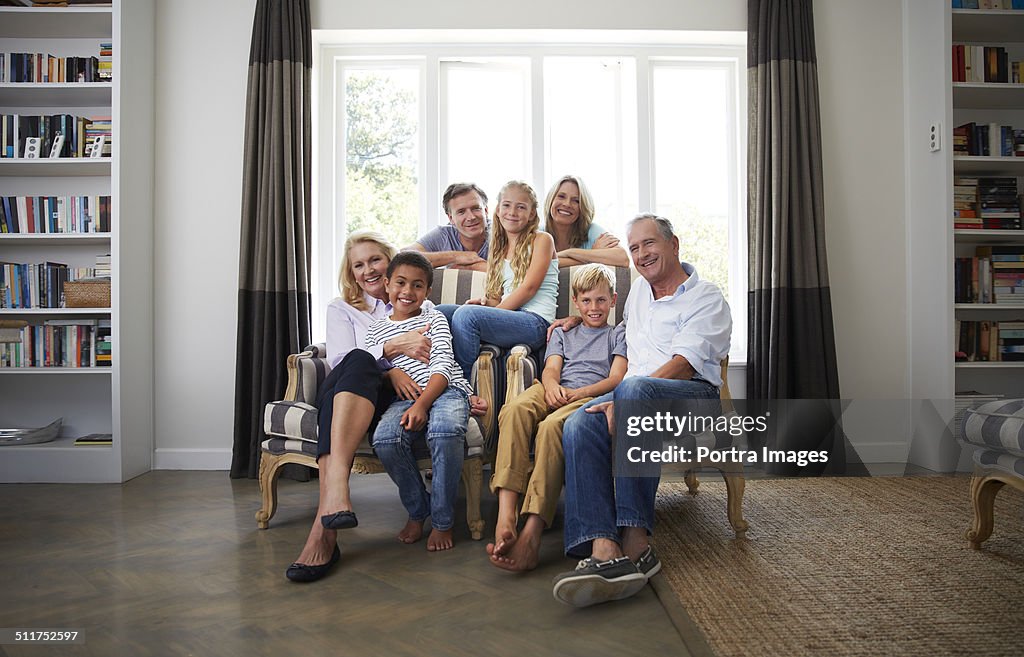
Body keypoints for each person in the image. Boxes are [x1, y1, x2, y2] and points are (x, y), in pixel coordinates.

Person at [549, 214, 732, 608]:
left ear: (673, 244)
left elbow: (685, 364)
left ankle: (637, 541)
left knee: (631, 388)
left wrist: (627, 398)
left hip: (691, 398)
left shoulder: (707, 297)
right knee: (580, 423)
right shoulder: (636, 297)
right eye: (633, 248)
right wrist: (573, 321)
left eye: (648, 244)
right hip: (635, 396)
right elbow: (609, 333)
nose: (641, 254)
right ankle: (603, 548)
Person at [285, 231, 481, 582]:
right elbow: (346, 363)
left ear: (388, 265)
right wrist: (391, 360)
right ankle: (335, 498)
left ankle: (329, 511)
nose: (368, 270)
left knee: (378, 375)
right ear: (351, 272)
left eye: (375, 260)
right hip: (352, 392)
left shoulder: (418, 306)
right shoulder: (344, 308)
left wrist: (471, 270)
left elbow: (443, 353)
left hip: (402, 396)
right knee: (360, 359)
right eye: (358, 265)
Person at [486, 264, 627, 572]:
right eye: (587, 301)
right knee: (513, 410)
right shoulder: (564, 331)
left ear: (613, 300)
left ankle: (533, 529)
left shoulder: (617, 335)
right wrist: (550, 385)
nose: (594, 308)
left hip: (588, 396)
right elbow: (551, 368)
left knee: (551, 428)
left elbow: (616, 378)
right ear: (575, 301)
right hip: (553, 388)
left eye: (601, 301)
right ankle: (506, 513)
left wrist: (579, 393)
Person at [364, 251, 473, 552]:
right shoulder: (375, 330)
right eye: (400, 283)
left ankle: (442, 520)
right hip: (405, 398)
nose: (407, 292)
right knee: (385, 439)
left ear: (427, 291)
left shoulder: (433, 317)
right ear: (386, 284)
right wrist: (392, 374)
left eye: (417, 285)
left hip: (445, 390)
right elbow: (374, 367)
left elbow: (442, 366)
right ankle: (418, 510)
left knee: (446, 432)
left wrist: (422, 405)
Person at [451, 180, 558, 380]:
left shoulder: (542, 240)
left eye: (521, 207)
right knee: (443, 313)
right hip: (510, 318)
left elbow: (529, 288)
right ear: (498, 210)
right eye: (507, 205)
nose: (512, 212)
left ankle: (461, 385)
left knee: (467, 316)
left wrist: (486, 313)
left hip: (535, 323)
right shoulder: (498, 248)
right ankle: (429, 376)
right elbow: (497, 297)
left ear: (532, 214)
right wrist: (485, 305)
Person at [542, 175, 628, 268]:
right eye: (561, 196)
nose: (567, 204)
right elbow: (534, 265)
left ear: (582, 207)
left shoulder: (592, 230)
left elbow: (623, 259)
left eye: (576, 201)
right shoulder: (536, 233)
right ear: (551, 200)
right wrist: (592, 256)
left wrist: (569, 253)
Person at [406, 182, 490, 272]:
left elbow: (505, 273)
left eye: (476, 208)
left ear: (485, 211)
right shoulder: (444, 234)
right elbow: (404, 257)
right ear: (451, 218)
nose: (471, 217)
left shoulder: (499, 232)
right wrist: (457, 257)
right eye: (461, 212)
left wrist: (470, 267)